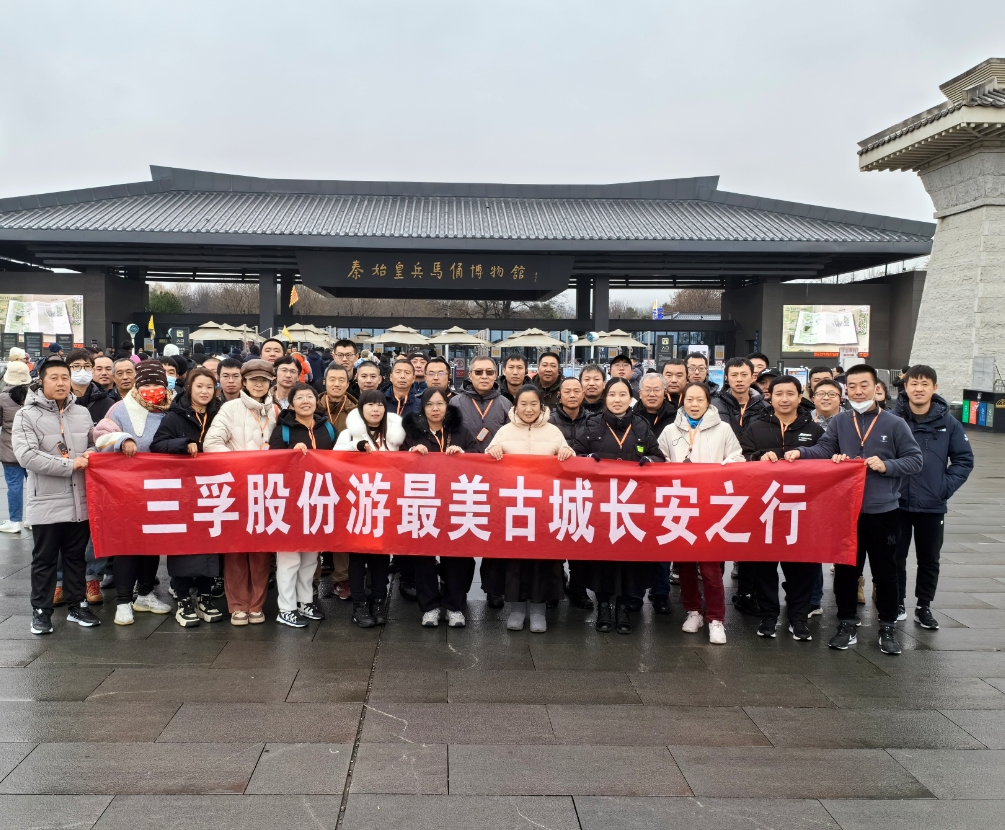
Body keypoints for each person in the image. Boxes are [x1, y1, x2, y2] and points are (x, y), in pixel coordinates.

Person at [783, 364, 923, 656]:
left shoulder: (894, 423)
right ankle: (846, 623)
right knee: (847, 571)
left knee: (886, 572)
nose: (858, 391)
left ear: (876, 388)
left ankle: (887, 626)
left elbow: (915, 460)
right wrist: (801, 452)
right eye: (853, 386)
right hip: (846, 510)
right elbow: (824, 449)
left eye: (864, 385)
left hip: (883, 511)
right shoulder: (840, 421)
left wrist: (887, 465)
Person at [13, 357, 101, 634]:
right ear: (41, 381)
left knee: (76, 557)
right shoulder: (26, 415)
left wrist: (91, 454)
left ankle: (77, 605)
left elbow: (94, 443)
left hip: (79, 499)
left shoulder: (81, 412)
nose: (61, 383)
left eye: (65, 377)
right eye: (55, 378)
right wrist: (70, 465)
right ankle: (41, 610)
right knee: (45, 559)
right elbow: (27, 455)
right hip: (47, 500)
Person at [574, 377, 664, 635]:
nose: (617, 399)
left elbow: (659, 456)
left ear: (630, 397)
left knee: (629, 561)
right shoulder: (591, 424)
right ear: (606, 396)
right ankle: (603, 606)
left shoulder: (641, 425)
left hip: (632, 506)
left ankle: (623, 608)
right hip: (600, 506)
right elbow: (574, 456)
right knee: (602, 560)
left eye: (623, 394)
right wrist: (587, 459)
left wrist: (649, 461)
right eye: (612, 394)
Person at [658, 381, 744, 644]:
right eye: (689, 400)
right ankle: (693, 611)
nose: (694, 405)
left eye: (700, 400)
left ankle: (716, 618)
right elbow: (659, 460)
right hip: (681, 505)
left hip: (711, 506)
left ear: (708, 402)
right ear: (682, 401)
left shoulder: (723, 428)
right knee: (684, 564)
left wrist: (721, 468)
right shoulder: (670, 430)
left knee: (710, 567)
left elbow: (737, 457)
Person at [740, 375, 824, 641]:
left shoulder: (815, 430)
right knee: (764, 569)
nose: (784, 399)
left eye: (790, 394)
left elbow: (826, 460)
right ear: (770, 397)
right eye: (779, 394)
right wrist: (757, 457)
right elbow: (741, 458)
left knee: (801, 568)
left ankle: (798, 618)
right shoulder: (756, 427)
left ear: (800, 397)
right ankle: (768, 617)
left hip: (802, 511)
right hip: (764, 509)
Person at [486, 385, 574, 633]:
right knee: (515, 562)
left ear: (541, 405)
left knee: (542, 563)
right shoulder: (504, 431)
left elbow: (568, 461)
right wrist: (492, 451)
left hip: (544, 511)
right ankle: (516, 609)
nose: (528, 409)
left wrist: (567, 451)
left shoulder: (553, 431)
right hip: (514, 511)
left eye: (533, 403)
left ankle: (538, 610)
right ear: (515, 406)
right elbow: (487, 464)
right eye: (523, 404)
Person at [893, 365, 974, 629]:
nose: (919, 389)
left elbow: (963, 459)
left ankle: (924, 606)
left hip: (932, 504)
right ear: (905, 387)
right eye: (914, 384)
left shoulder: (948, 423)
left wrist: (944, 487)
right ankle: (897, 603)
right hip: (896, 503)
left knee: (929, 558)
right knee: (895, 557)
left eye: (924, 384)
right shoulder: (893, 420)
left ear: (934, 388)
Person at [94, 360, 175, 625]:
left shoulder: (171, 408)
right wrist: (122, 439)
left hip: (160, 490)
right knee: (127, 546)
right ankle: (123, 601)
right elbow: (100, 434)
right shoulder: (121, 408)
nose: (152, 390)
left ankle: (146, 594)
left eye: (157, 384)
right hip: (126, 491)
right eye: (147, 384)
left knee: (151, 546)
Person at [203, 359, 278, 625]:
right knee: (235, 548)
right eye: (254, 379)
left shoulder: (276, 410)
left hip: (266, 489)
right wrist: (242, 462)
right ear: (244, 382)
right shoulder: (230, 408)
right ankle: (237, 605)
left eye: (264, 380)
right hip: (235, 487)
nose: (259, 384)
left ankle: (256, 604)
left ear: (270, 383)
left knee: (260, 550)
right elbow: (211, 443)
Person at [150, 366, 226, 628]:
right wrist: (182, 445)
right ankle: (183, 600)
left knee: (211, 545)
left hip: (212, 490)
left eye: (209, 387)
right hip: (183, 491)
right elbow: (157, 445)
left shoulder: (220, 413)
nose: (204, 392)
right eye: (199, 386)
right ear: (189, 388)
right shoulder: (174, 416)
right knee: (182, 545)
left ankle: (205, 597)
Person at [403, 387, 479, 628]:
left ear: (447, 406)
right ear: (422, 408)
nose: (435, 409)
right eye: (429, 404)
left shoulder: (460, 430)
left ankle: (455, 606)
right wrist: (411, 454)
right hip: (424, 502)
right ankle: (430, 607)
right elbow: (397, 465)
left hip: (456, 502)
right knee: (423, 556)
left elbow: (478, 458)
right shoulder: (412, 432)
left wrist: (463, 454)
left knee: (457, 555)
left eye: (440, 404)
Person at [334, 390, 405, 628]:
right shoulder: (348, 433)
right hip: (358, 502)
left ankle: (378, 601)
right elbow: (333, 458)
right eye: (370, 405)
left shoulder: (395, 435)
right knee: (357, 556)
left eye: (380, 405)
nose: (375, 409)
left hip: (386, 503)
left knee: (381, 556)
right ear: (361, 408)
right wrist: (356, 446)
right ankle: (359, 605)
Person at [267, 382, 335, 627]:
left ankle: (305, 601)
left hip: (317, 500)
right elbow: (271, 463)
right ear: (292, 403)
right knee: (289, 559)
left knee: (310, 558)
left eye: (310, 397)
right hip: (289, 502)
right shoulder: (283, 429)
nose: (305, 401)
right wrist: (290, 453)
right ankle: (286, 608)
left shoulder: (327, 427)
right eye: (299, 398)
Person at [449, 356, 513, 608]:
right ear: (470, 375)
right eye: (478, 372)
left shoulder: (506, 404)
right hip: (463, 480)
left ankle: (494, 590)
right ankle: (459, 589)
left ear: (496, 375)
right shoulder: (455, 402)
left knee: (495, 536)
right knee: (463, 534)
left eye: (489, 372)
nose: (484, 376)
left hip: (497, 479)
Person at [713, 357, 768, 615]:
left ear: (752, 377)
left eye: (744, 374)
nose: (739, 379)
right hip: (719, 480)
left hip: (752, 480)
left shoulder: (765, 407)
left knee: (750, 537)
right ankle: (714, 594)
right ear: (726, 377)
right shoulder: (714, 405)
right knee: (717, 536)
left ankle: (747, 593)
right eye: (733, 375)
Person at [549, 376, 595, 611]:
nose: (572, 395)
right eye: (567, 391)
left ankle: (579, 588)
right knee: (555, 540)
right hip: (555, 488)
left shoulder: (594, 421)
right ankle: (554, 588)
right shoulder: (549, 421)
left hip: (584, 490)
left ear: (583, 394)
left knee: (581, 540)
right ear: (560, 395)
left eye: (577, 391)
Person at [633, 373, 677, 615]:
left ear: (665, 392)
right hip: (636, 490)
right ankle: (636, 593)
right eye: (647, 390)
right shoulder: (631, 416)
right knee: (637, 541)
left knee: (662, 543)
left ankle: (661, 593)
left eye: (656, 389)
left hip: (666, 488)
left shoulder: (676, 417)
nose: (652, 394)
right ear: (639, 393)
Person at [0, 360, 31, 534]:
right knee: (35, 486)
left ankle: (14, 521)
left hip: (10, 449)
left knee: (14, 487)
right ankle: (32, 519)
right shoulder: (34, 396)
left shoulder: (2, 398)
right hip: (32, 449)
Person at [65, 349, 114, 423]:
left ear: (93, 370)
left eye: (87, 366)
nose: (82, 370)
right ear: (67, 369)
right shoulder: (60, 400)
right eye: (76, 366)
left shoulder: (106, 403)